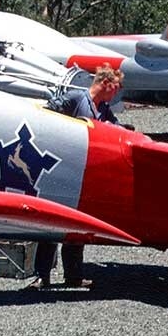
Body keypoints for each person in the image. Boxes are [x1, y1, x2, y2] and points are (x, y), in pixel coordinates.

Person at [29, 66, 123, 289]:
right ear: (106, 84)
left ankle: (73, 276)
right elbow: (47, 112)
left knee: (77, 226)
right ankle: (42, 276)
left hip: (83, 173)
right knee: (50, 225)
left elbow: (117, 128)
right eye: (115, 89)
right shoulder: (75, 98)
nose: (115, 94)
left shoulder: (104, 110)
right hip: (59, 168)